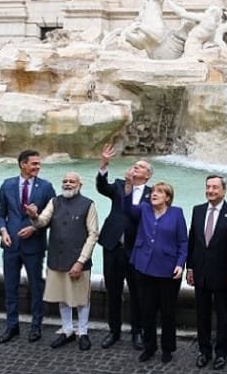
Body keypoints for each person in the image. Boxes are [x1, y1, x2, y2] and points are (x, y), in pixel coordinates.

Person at [27, 172, 99, 351]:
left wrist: (81, 261)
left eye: (72, 181)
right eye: (65, 181)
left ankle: (83, 332)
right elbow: (42, 222)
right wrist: (34, 216)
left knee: (82, 299)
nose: (67, 184)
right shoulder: (54, 201)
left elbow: (93, 234)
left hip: (78, 261)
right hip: (56, 259)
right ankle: (67, 330)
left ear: (80, 185)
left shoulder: (88, 204)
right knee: (62, 297)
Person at [123, 180, 187, 364]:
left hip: (168, 270)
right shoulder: (144, 209)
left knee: (168, 313)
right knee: (147, 311)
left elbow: (183, 241)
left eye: (159, 192)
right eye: (153, 191)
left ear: (167, 197)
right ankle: (149, 347)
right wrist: (128, 188)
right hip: (144, 267)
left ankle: (167, 348)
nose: (154, 194)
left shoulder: (177, 213)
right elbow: (127, 209)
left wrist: (180, 264)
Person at [0, 149, 56, 344]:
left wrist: (34, 227)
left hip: (34, 245)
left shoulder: (46, 187)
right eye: (34, 164)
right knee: (10, 287)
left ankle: (36, 326)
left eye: (39, 164)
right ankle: (11, 326)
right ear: (23, 164)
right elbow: (0, 214)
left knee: (36, 287)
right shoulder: (7, 185)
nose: (38, 167)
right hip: (10, 244)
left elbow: (52, 217)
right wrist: (3, 231)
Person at [96, 143, 149, 350]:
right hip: (112, 246)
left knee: (137, 294)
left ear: (147, 175)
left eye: (140, 166)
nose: (135, 167)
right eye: (134, 165)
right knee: (113, 291)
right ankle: (114, 331)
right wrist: (104, 163)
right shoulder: (118, 185)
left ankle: (137, 332)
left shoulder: (153, 194)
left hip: (135, 250)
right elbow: (101, 187)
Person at [186, 175, 227, 370]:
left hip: (223, 275)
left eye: (215, 188)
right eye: (208, 187)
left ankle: (221, 353)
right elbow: (192, 240)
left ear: (223, 191)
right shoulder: (197, 210)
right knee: (201, 315)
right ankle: (204, 351)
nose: (210, 190)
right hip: (200, 273)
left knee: (223, 316)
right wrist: (189, 267)